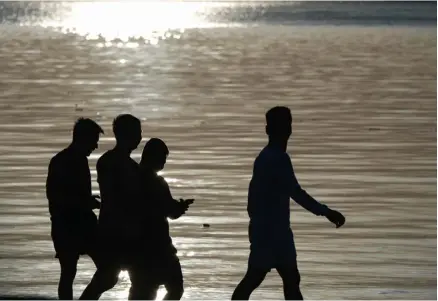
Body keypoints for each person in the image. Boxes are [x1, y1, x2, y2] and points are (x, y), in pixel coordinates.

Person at [231, 106, 346, 300]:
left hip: (276, 231)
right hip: (270, 232)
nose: (285, 130)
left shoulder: (268, 157)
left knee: (288, 278)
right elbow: (295, 192)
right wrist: (326, 212)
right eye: (281, 126)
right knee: (256, 278)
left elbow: (253, 198)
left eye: (286, 125)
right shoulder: (275, 158)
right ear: (270, 130)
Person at [79, 114, 146, 300]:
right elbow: (113, 196)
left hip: (127, 229)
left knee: (127, 278)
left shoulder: (130, 166)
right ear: (126, 135)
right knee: (108, 277)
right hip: (114, 229)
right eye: (137, 133)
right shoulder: (110, 162)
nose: (140, 137)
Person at [46, 118, 104, 300]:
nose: (95, 146)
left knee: (70, 273)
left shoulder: (68, 160)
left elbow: (66, 194)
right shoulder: (64, 161)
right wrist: (86, 203)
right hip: (69, 226)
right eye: (94, 140)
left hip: (74, 225)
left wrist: (88, 200)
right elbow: (59, 197)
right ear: (83, 138)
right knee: (74, 272)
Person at [132, 138, 194, 300]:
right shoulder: (157, 182)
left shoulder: (132, 177)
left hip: (137, 247)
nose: (164, 163)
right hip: (158, 246)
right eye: (163, 159)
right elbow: (170, 211)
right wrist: (180, 208)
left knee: (143, 292)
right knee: (175, 288)